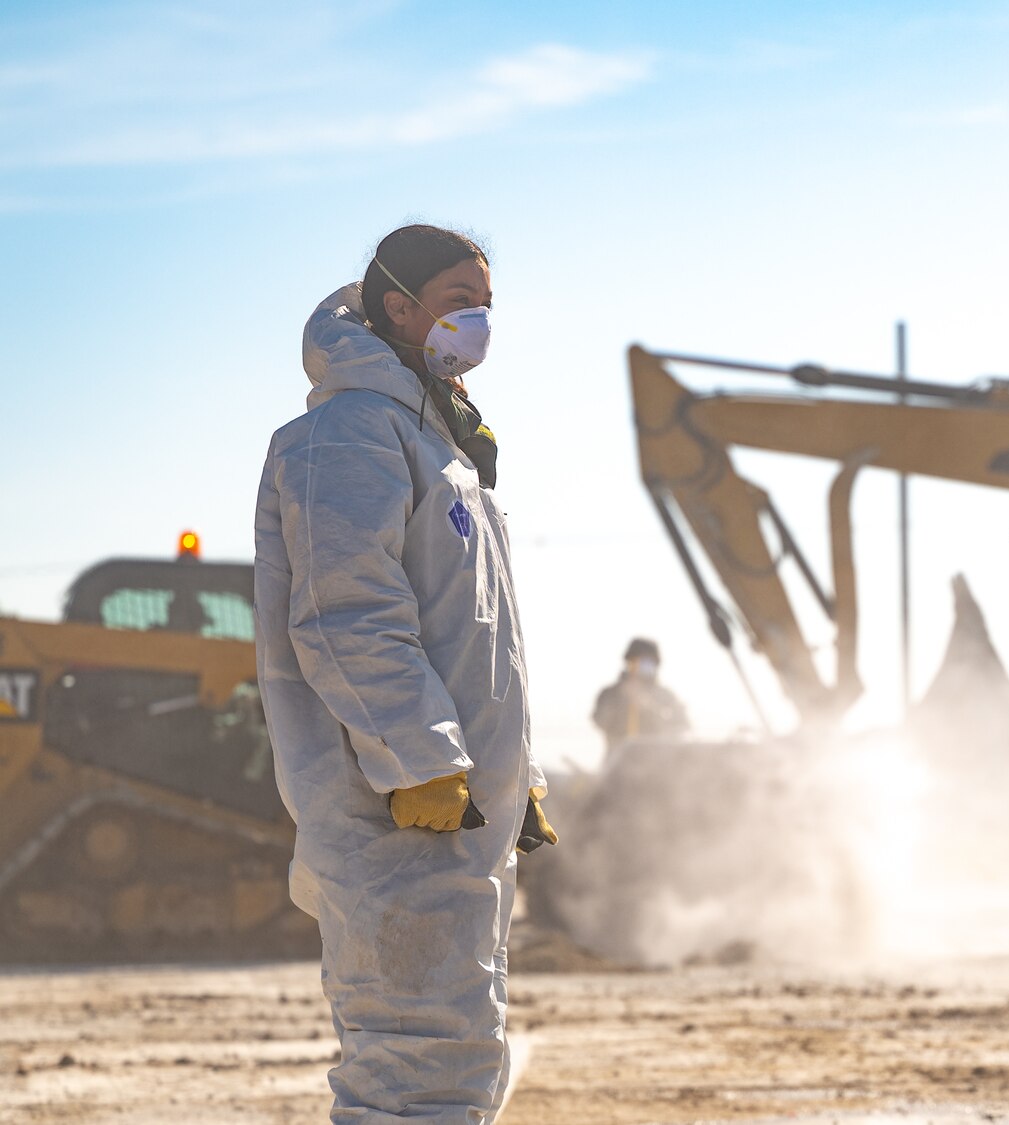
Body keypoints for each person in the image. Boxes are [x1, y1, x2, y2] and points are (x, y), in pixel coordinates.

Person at [253, 223, 555, 1123]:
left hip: (457, 809)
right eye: (461, 303)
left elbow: (482, 643)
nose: (479, 325)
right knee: (412, 1069)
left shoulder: (445, 449)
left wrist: (519, 778)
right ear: (399, 307)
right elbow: (347, 616)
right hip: (393, 806)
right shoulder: (346, 435)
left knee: (451, 1057)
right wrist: (420, 757)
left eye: (486, 306)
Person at [592, 637, 691, 751]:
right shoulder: (611, 693)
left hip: (657, 761)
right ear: (628, 663)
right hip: (617, 762)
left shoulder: (665, 696)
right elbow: (599, 721)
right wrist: (620, 701)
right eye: (636, 663)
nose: (641, 669)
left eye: (648, 665)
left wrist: (648, 706)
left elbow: (682, 727)